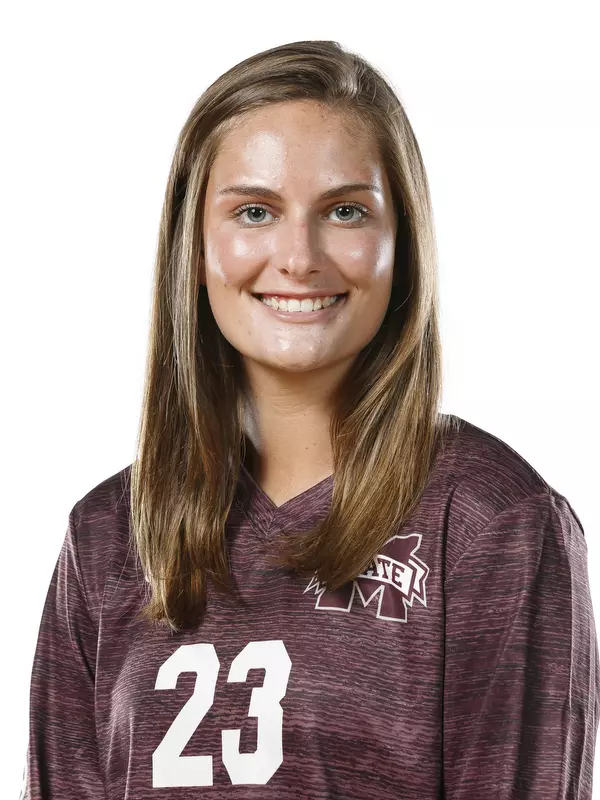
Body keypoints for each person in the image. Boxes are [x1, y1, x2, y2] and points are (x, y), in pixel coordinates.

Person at [21, 39, 599, 799]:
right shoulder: (105, 538)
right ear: (194, 246)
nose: (299, 256)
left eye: (345, 211)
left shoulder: (493, 520)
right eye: (255, 212)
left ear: (403, 246)